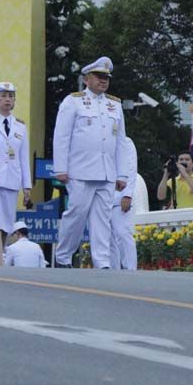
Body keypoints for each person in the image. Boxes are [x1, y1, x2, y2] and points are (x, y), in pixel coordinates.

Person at [52, 56, 127, 269]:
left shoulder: (115, 105)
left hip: (106, 171)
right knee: (76, 213)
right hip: (80, 170)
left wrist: (122, 174)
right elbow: (61, 136)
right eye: (99, 76)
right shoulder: (73, 101)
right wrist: (60, 168)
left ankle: (101, 261)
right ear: (87, 79)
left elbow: (120, 141)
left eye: (106, 77)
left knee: (102, 218)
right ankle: (64, 256)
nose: (103, 81)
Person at [0, 81, 32, 266]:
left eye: (11, 96)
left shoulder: (20, 126)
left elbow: (24, 158)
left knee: (7, 223)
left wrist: (27, 186)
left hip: (12, 180)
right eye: (4, 96)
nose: (8, 100)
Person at [111, 136, 139, 270]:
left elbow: (131, 169)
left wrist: (127, 195)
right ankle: (111, 269)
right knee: (107, 238)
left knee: (122, 233)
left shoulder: (125, 142)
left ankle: (130, 268)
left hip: (119, 196)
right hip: (102, 198)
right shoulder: (98, 140)